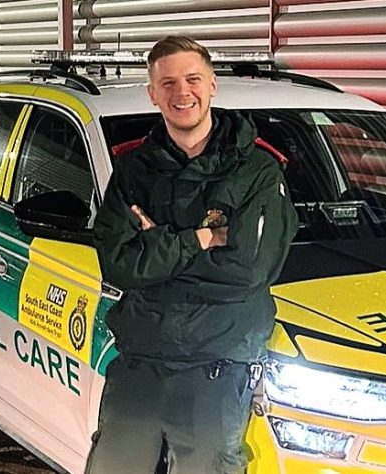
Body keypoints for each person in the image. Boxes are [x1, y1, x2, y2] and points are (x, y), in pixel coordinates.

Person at [86, 35, 298, 474]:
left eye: (192, 79)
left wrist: (156, 245)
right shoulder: (132, 169)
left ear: (212, 85)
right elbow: (119, 265)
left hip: (215, 369)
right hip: (140, 361)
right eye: (167, 83)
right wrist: (199, 239)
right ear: (152, 93)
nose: (181, 93)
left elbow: (248, 270)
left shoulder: (257, 170)